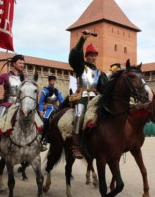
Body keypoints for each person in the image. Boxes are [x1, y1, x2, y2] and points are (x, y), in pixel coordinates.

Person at [68, 30, 108, 159]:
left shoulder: (99, 72)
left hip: (96, 98)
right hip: (82, 97)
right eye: (91, 55)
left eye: (95, 55)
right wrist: (82, 39)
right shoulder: (81, 66)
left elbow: (104, 88)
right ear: (86, 56)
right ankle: (75, 145)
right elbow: (74, 56)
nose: (93, 57)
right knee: (79, 114)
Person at [38, 75, 64, 150]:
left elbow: (61, 100)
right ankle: (43, 138)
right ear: (49, 81)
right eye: (51, 80)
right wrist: (41, 111)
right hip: (48, 108)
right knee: (45, 120)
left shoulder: (57, 91)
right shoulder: (45, 91)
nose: (53, 82)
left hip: (56, 108)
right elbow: (41, 102)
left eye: (54, 81)